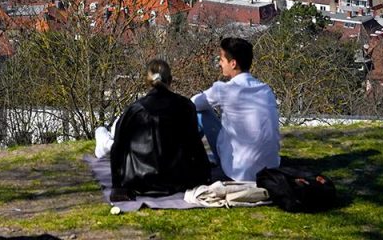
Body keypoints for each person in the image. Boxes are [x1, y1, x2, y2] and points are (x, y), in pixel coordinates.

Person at [108, 59, 212, 200]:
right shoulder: (186, 106)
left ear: (147, 81)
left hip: (139, 181)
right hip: (180, 180)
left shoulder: (134, 110)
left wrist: (117, 185)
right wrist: (205, 176)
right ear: (170, 80)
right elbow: (195, 145)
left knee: (104, 135)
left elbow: (118, 148)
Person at [192, 36, 280, 182]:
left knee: (201, 114)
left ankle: (184, 159)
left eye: (221, 59)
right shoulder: (266, 90)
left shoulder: (224, 90)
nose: (219, 63)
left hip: (238, 171)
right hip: (270, 166)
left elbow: (191, 104)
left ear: (233, 63)